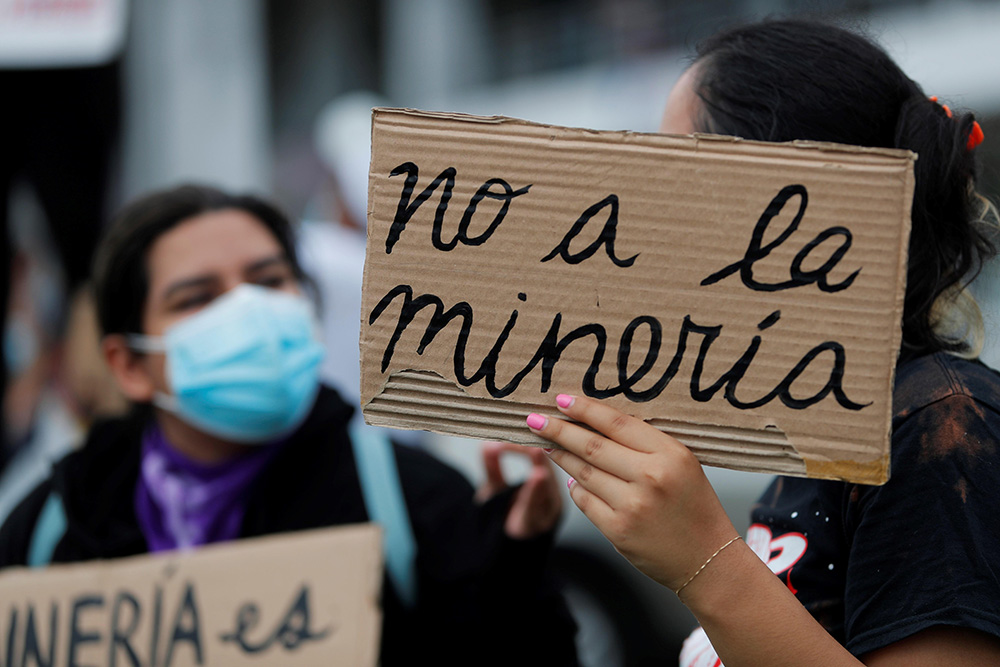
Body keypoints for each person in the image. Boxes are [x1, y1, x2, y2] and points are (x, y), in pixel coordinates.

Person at [526, 18, 1000, 667]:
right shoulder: (835, 431)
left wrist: (705, 562)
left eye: (676, 181)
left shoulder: (938, 419)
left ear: (788, 206)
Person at [0, 184, 578, 665]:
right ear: (129, 365)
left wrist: (511, 565)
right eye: (197, 297)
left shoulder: (411, 502)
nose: (248, 309)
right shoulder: (53, 527)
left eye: (270, 280)